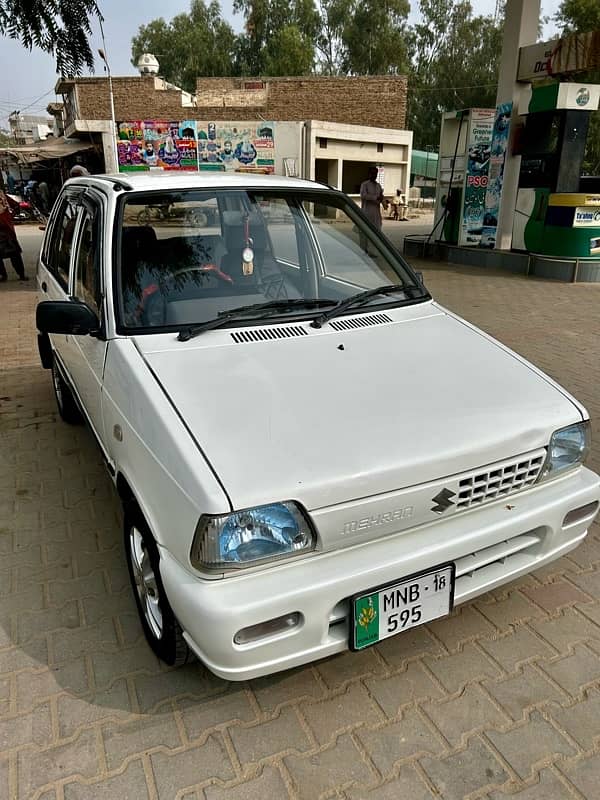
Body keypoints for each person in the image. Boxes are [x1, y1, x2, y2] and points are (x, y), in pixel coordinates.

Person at [0, 189, 28, 282]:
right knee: (15, 254)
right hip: (7, 229)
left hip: (5, 229)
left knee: (14, 254)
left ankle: (3, 276)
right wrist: (10, 216)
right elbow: (16, 205)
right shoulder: (3, 195)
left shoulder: (3, 196)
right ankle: (21, 274)